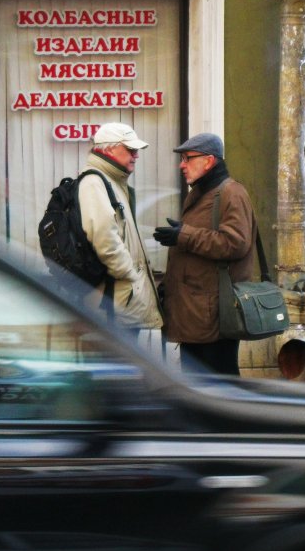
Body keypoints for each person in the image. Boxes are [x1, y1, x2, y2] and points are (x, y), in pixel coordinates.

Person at [153, 133, 257, 375]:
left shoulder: (231, 193)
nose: (182, 164)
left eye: (188, 158)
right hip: (196, 311)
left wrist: (183, 235)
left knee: (218, 383)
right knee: (197, 383)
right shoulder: (201, 192)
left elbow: (235, 243)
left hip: (214, 316)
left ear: (209, 161)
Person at [77, 122, 164, 339]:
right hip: (113, 301)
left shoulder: (113, 181)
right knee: (113, 369)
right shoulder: (94, 182)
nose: (136, 155)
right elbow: (105, 239)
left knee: (122, 370)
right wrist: (129, 275)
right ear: (108, 149)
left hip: (120, 298)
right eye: (131, 149)